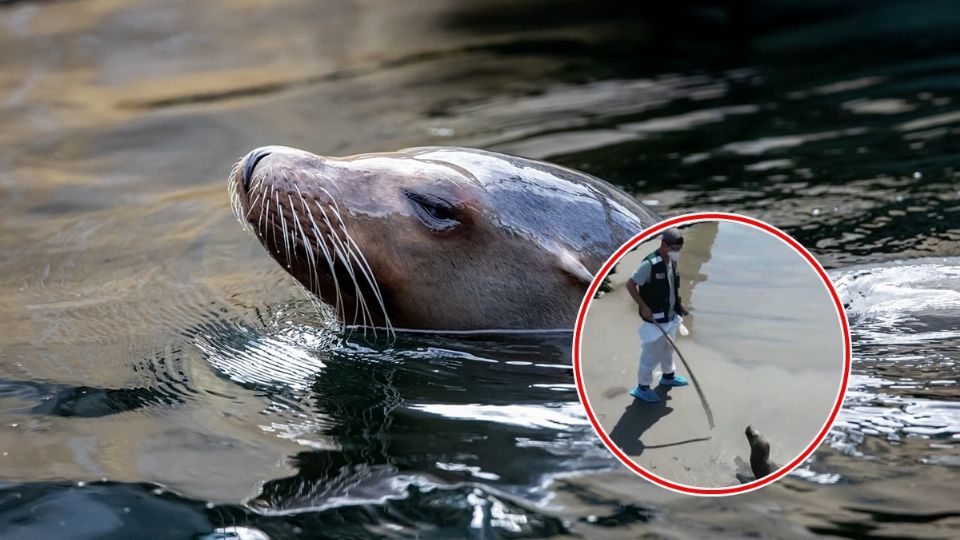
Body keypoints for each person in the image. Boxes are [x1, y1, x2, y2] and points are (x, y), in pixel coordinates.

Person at [625, 228, 690, 402]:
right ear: (663, 244)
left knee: (669, 349)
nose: (676, 253)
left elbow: (671, 288)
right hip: (654, 319)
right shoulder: (649, 264)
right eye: (674, 249)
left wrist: (679, 306)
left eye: (678, 250)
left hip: (670, 316)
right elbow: (630, 285)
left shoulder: (671, 261)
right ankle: (642, 387)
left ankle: (668, 376)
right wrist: (643, 306)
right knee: (651, 354)